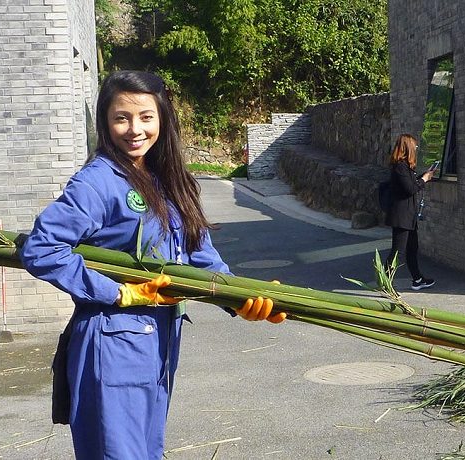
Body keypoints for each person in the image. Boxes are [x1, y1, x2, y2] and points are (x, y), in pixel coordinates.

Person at [19, 70, 285, 459]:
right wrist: (119, 292)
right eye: (121, 118)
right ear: (105, 123)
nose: (134, 129)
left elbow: (200, 257)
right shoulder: (97, 183)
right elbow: (42, 248)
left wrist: (242, 299)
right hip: (113, 344)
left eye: (146, 117)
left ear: (162, 118)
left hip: (158, 341)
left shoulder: (169, 181)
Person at [385, 133, 436, 290]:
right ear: (407, 148)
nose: (416, 149)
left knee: (412, 248)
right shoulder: (400, 167)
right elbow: (410, 188)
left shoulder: (405, 167)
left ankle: (418, 279)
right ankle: (385, 282)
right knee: (398, 251)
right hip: (402, 216)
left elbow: (410, 183)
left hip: (409, 216)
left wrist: (423, 175)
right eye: (415, 146)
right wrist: (424, 179)